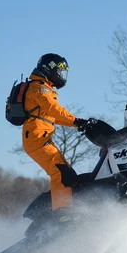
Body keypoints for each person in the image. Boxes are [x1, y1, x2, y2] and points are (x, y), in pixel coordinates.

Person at [22, 53, 91, 220]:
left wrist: (78, 124)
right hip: (36, 139)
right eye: (60, 71)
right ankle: (62, 214)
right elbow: (54, 109)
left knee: (68, 173)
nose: (62, 76)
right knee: (61, 173)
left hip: (40, 138)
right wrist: (77, 120)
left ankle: (60, 209)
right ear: (50, 68)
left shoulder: (43, 87)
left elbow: (55, 117)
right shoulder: (39, 88)